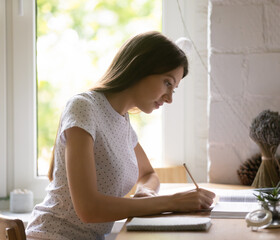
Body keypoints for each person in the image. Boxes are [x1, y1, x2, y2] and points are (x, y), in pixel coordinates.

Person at [26, 31, 215, 240]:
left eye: (174, 89)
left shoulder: (122, 120)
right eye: (167, 83)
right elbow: (88, 209)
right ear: (141, 67)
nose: (169, 98)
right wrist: (172, 202)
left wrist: (146, 193)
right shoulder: (84, 107)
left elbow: (148, 175)